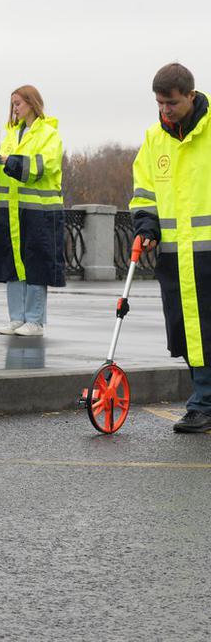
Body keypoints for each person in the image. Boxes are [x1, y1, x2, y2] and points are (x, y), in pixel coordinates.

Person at [130, 62, 211, 433]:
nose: (165, 110)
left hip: (207, 252)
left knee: (205, 329)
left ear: (190, 97)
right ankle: (203, 400)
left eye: (172, 103)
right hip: (175, 255)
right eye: (160, 104)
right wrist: (147, 226)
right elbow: (144, 192)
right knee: (187, 330)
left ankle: (203, 403)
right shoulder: (153, 139)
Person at [0, 85, 65, 337]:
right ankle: (17, 318)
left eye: (18, 103)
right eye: (12, 104)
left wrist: (11, 161)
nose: (14, 109)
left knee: (36, 263)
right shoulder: (11, 135)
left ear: (31, 103)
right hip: (11, 210)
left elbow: (43, 166)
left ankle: (35, 321)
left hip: (39, 211)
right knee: (13, 263)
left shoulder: (50, 134)